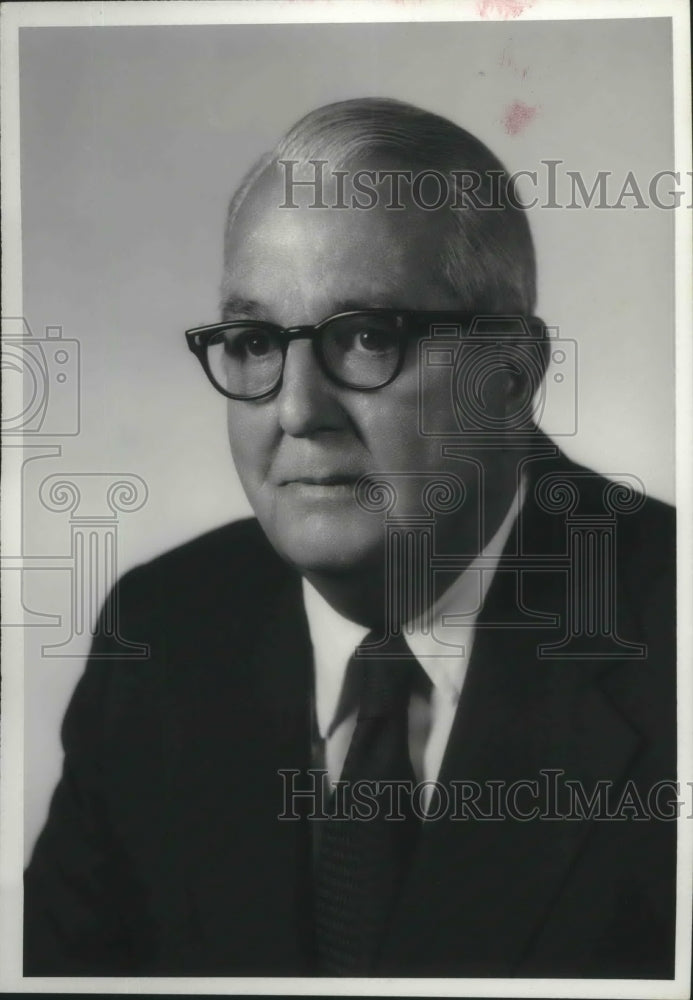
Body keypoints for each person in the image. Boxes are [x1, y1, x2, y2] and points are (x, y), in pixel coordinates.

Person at [24, 98, 676, 979]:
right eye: (254, 341)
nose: (295, 410)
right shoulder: (162, 630)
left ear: (510, 374)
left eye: (367, 338)